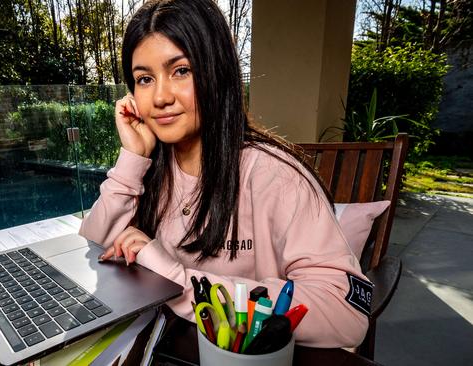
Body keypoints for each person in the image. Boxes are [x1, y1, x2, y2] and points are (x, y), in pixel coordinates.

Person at [79, 0, 370, 348]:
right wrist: (133, 158)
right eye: (144, 79)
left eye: (181, 70)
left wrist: (178, 283)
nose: (159, 97)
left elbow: (346, 314)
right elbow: (90, 253)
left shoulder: (276, 176)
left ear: (216, 72)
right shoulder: (152, 167)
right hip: (164, 347)